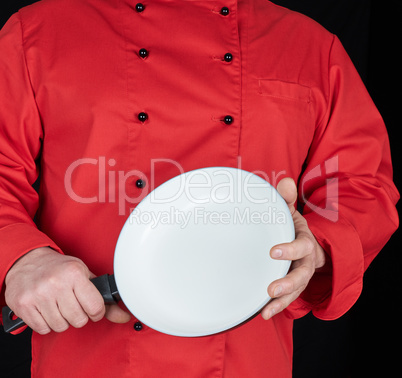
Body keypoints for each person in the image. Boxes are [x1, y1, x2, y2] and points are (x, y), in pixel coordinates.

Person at [0, 0, 398, 376]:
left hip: (247, 362)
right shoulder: (40, 32)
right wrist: (21, 257)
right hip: (90, 359)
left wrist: (319, 244)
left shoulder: (310, 47)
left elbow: (362, 185)